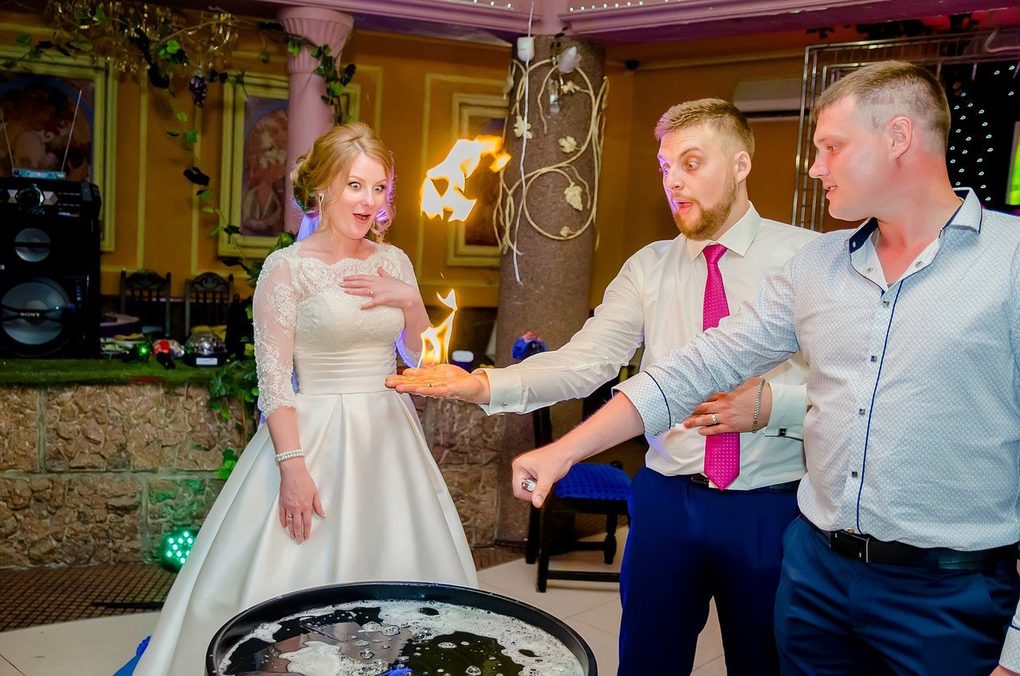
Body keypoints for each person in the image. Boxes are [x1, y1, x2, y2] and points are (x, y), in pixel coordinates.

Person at [507, 61, 1020, 676]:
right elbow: (696, 368)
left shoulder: (1009, 262)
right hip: (816, 579)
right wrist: (564, 451)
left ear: (898, 137)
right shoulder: (818, 266)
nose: (815, 167)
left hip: (948, 594)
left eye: (832, 147)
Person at [388, 99, 818, 675]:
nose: (674, 182)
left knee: (766, 662)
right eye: (665, 167)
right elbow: (584, 362)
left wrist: (774, 406)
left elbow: (855, 388)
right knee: (645, 662)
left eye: (692, 163)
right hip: (667, 498)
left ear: (741, 165)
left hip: (771, 504)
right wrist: (483, 384)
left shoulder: (807, 259)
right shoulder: (648, 266)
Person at [134, 122, 477, 675]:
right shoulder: (287, 268)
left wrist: (411, 302)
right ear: (323, 188)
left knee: (392, 591)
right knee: (293, 594)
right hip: (314, 437)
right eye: (355, 186)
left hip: (388, 439)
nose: (368, 201)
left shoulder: (393, 261)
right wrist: (292, 468)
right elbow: (273, 380)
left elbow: (417, 359)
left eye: (379, 188)